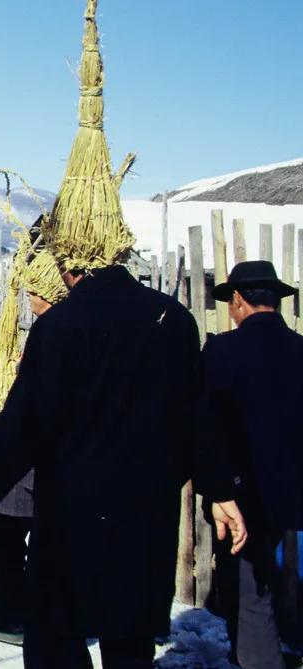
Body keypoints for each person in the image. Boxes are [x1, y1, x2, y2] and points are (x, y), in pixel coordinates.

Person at [0, 4, 245, 665]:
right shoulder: (171, 321)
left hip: (71, 522)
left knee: (57, 642)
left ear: (68, 258)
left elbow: (27, 417)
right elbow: (197, 420)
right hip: (144, 526)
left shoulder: (61, 325)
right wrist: (222, 489)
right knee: (126, 646)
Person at [198, 260, 302, 669]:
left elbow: (207, 427)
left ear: (239, 300)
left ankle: (258, 660)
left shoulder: (224, 349)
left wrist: (219, 489)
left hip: (240, 491)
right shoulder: (299, 350)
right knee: (262, 579)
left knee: (248, 585)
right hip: (290, 488)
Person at [0, 249, 67, 646]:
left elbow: (28, 411)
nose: (28, 300)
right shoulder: (71, 330)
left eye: (32, 293)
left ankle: (10, 615)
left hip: (27, 466)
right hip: (53, 466)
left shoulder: (53, 331)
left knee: (4, 540)